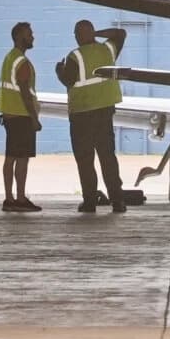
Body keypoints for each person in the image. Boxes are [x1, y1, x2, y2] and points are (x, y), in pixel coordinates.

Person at [55, 20, 127, 213]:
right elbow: (120, 33)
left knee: (85, 160)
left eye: (77, 34)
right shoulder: (107, 50)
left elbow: (68, 80)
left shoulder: (75, 56)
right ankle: (117, 201)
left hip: (82, 114)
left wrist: (59, 71)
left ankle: (90, 202)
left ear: (78, 36)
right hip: (104, 112)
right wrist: (96, 34)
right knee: (107, 157)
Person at [0, 21, 42, 213]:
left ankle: (9, 198)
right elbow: (24, 91)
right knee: (22, 159)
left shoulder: (10, 58)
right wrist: (34, 117)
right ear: (18, 37)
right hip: (21, 115)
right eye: (29, 34)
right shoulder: (21, 62)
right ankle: (20, 199)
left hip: (9, 114)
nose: (32, 37)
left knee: (10, 158)